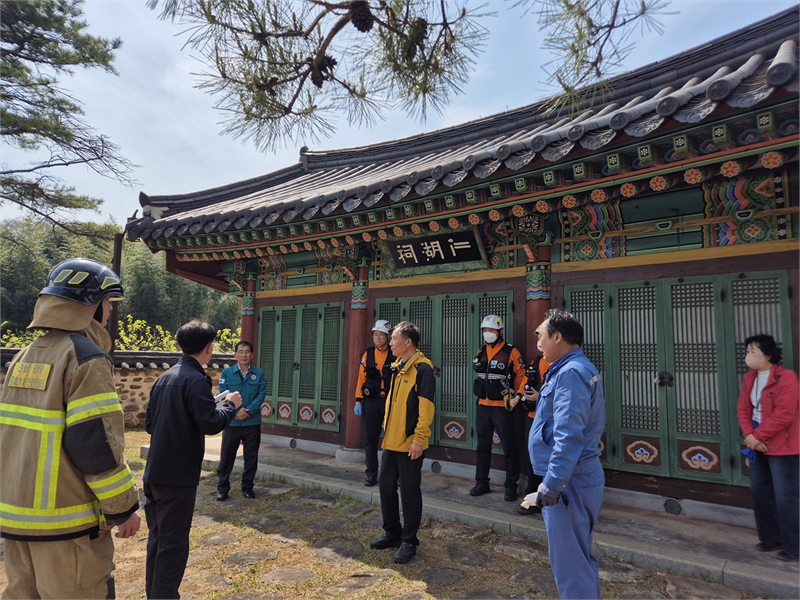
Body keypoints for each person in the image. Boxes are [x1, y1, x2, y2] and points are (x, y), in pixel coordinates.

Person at [0, 258, 141, 599]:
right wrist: (123, 508)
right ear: (89, 306)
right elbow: (95, 445)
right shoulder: (85, 358)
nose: (109, 310)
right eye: (107, 302)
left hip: (16, 521)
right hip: (67, 527)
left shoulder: (24, 356)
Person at [144, 320, 242, 599]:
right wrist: (229, 405)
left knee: (158, 539)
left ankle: (154, 593)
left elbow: (150, 424)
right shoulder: (196, 379)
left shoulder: (165, 377)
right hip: (178, 474)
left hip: (154, 471)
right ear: (209, 347)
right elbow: (211, 423)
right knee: (173, 544)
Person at [525, 308, 606, 600]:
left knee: (570, 564)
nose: (538, 343)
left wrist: (552, 484)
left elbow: (568, 434)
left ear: (557, 337)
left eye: (542, 336)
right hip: (576, 476)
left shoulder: (570, 373)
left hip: (570, 481)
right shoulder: (571, 368)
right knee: (578, 558)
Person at [370, 321, 435, 564]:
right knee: (385, 485)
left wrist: (419, 440)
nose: (391, 342)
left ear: (408, 342)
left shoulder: (423, 369)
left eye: (394, 338)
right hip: (391, 441)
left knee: (409, 492)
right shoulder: (398, 366)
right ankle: (392, 532)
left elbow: (426, 409)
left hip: (410, 443)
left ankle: (409, 540)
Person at [736, 334, 799, 562]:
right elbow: (743, 408)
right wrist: (749, 436)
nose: (749, 356)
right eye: (748, 351)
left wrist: (757, 436)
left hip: (782, 444)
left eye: (753, 352)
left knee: (786, 495)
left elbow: (784, 413)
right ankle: (770, 538)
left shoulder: (786, 378)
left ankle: (794, 546)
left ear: (768, 355)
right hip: (757, 442)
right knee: (760, 492)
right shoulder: (750, 378)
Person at [470, 314, 527, 501]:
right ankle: (481, 482)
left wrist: (517, 396)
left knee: (509, 446)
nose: (488, 333)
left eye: (492, 330)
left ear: (500, 331)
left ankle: (511, 485)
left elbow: (522, 375)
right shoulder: (481, 350)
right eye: (485, 330)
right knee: (482, 446)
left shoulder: (511, 351)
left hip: (502, 407)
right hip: (483, 405)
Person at [216, 340, 267, 501]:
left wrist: (248, 411)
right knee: (226, 457)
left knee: (251, 458)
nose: (244, 355)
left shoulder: (259, 373)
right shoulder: (227, 373)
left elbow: (261, 395)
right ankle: (222, 488)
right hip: (232, 422)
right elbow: (223, 394)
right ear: (235, 355)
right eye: (240, 351)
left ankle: (247, 487)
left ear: (252, 355)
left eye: (247, 352)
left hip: (252, 423)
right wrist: (236, 412)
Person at [510, 325, 550, 516]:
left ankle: (547, 498)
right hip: (533, 416)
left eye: (542, 337)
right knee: (534, 457)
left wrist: (539, 396)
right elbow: (526, 380)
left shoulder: (560, 365)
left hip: (550, 419)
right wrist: (518, 397)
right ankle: (532, 496)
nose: (539, 342)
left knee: (550, 459)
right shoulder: (537, 360)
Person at [354, 320, 395, 486]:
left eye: (380, 335)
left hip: (390, 402)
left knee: (393, 440)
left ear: (388, 336)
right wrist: (358, 400)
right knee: (369, 439)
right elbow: (361, 378)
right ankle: (371, 474)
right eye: (375, 335)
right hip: (370, 402)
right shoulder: (368, 354)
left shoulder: (395, 354)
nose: (377, 338)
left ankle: (393, 475)